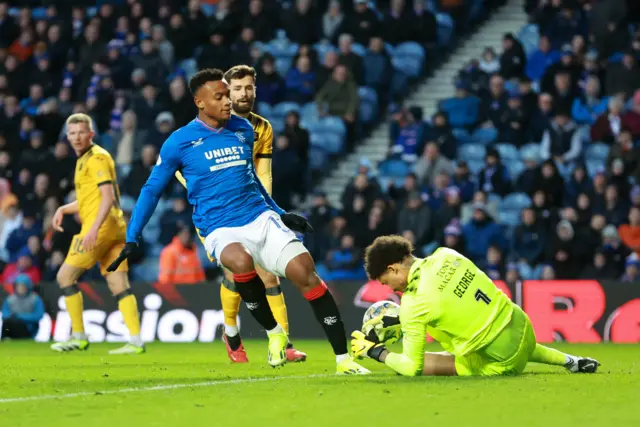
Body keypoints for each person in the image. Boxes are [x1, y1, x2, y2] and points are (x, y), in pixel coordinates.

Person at [108, 68, 368, 374]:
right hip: (219, 226)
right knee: (241, 263)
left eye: (227, 94)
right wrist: (132, 235)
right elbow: (152, 189)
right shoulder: (179, 142)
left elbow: (252, 179)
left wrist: (280, 212)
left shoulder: (244, 129)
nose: (228, 101)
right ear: (200, 102)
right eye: (219, 96)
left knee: (305, 272)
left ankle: (343, 359)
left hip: (259, 215)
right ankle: (274, 333)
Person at [175, 65, 306, 364]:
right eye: (236, 89)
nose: (243, 94)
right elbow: (179, 169)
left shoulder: (262, 128)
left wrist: (268, 210)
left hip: (253, 209)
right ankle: (232, 333)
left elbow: (263, 172)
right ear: (225, 92)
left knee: (269, 273)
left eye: (249, 88)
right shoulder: (201, 129)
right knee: (236, 274)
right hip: (215, 213)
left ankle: (283, 344)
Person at [351, 235, 600, 377]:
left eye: (387, 282)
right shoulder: (447, 254)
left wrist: (377, 352)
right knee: (494, 329)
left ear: (393, 268)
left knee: (422, 362)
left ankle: (382, 348)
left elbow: (412, 368)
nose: (392, 290)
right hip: (521, 324)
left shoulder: (413, 304)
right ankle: (572, 361)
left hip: (502, 361)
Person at [49, 113, 144, 355]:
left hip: (100, 228)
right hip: (115, 228)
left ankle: (79, 336)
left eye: (81, 132)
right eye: (72, 133)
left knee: (64, 277)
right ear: (67, 136)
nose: (77, 137)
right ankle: (135, 341)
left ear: (91, 134)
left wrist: (92, 230)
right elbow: (88, 200)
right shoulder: (85, 159)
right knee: (119, 284)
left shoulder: (97, 158)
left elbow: (107, 197)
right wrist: (63, 208)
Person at [1, 274, 44, 340]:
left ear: (28, 286)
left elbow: (38, 315)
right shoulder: (10, 299)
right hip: (11, 324)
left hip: (28, 327)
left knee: (16, 322)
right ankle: (5, 339)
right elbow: (4, 314)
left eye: (23, 286)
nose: (20, 288)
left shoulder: (35, 299)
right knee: (8, 322)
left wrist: (20, 316)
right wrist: (12, 316)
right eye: (18, 286)